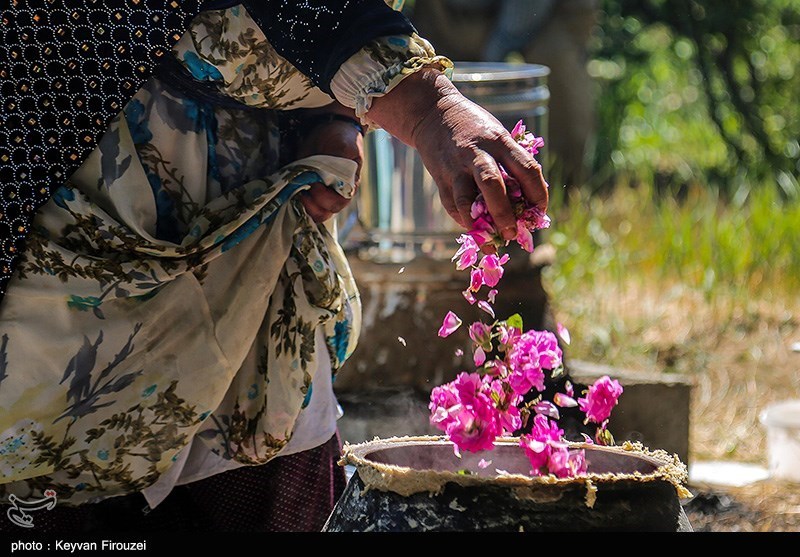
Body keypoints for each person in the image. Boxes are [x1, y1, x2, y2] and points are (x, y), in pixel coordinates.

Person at [0, 0, 548, 532]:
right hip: (91, 207)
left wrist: (339, 117)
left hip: (265, 233)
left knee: (267, 455)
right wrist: (431, 110)